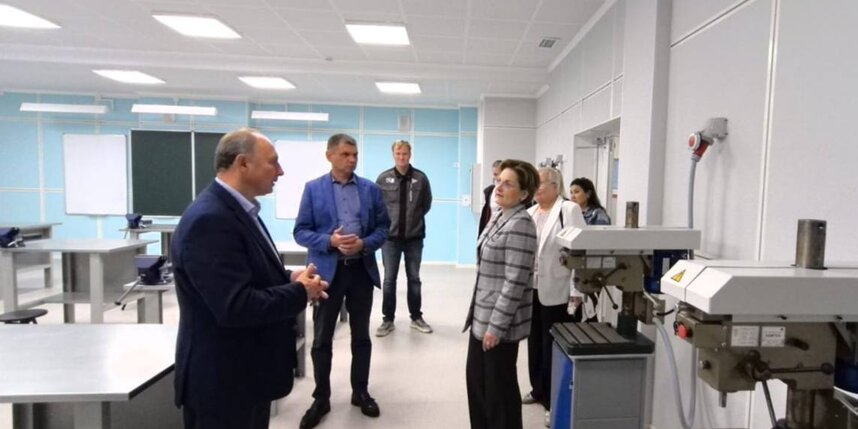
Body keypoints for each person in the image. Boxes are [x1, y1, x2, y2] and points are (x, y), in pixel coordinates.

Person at [171, 128, 329, 429]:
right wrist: (300, 291)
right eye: (273, 162)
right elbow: (235, 306)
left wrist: (288, 277)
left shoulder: (239, 210)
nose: (280, 171)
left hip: (245, 377)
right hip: (223, 385)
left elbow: (244, 273)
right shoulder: (210, 220)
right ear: (242, 163)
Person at [294, 133, 391, 429]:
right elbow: (301, 231)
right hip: (327, 274)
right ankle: (321, 398)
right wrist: (330, 241)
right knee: (322, 338)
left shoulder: (370, 189)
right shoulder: (313, 189)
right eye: (345, 154)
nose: (352, 159)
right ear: (329, 156)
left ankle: (360, 392)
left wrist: (364, 244)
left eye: (355, 154)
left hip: (360, 271)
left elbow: (383, 228)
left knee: (361, 336)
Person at [464, 159, 539, 429]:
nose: (499, 187)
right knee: (478, 385)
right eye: (499, 181)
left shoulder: (521, 224)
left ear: (524, 194)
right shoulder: (499, 215)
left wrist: (496, 327)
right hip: (482, 317)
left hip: (500, 324)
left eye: (508, 184)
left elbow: (514, 282)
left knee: (499, 393)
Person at [523, 167, 586, 427]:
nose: (536, 188)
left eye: (540, 183)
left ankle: (553, 402)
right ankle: (537, 389)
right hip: (533, 289)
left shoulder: (568, 210)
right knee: (534, 343)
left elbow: (580, 252)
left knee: (554, 348)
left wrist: (577, 291)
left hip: (559, 291)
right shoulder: (530, 212)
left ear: (554, 185)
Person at [375, 140, 433, 337]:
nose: (402, 157)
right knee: (389, 279)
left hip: (414, 239)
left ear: (410, 154)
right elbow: (377, 206)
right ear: (393, 154)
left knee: (414, 279)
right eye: (398, 153)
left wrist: (412, 220)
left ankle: (416, 317)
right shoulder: (383, 179)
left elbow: (426, 204)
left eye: (405, 153)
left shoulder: (420, 178)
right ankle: (388, 320)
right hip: (390, 240)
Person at [478, 160, 502, 235]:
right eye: (494, 174)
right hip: (489, 228)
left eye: (498, 174)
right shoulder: (489, 191)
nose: (497, 177)